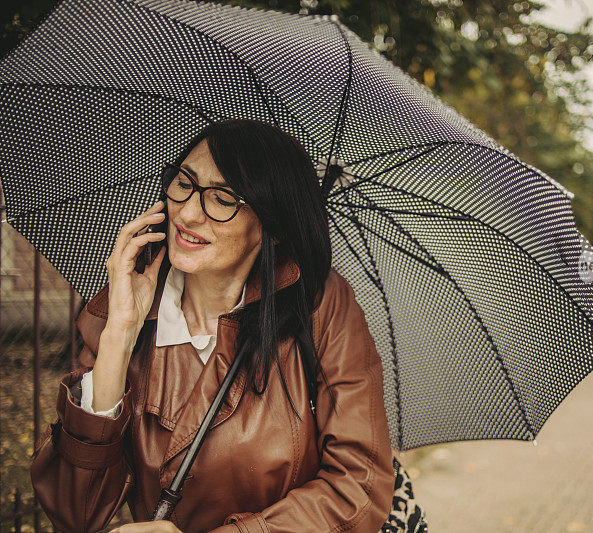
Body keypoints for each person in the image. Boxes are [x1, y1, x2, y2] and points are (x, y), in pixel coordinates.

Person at [29, 119, 395, 532]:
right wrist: (119, 336)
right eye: (184, 182)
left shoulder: (321, 305)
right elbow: (74, 513)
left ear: (272, 229)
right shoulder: (131, 302)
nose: (186, 212)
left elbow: (358, 489)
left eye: (222, 199)